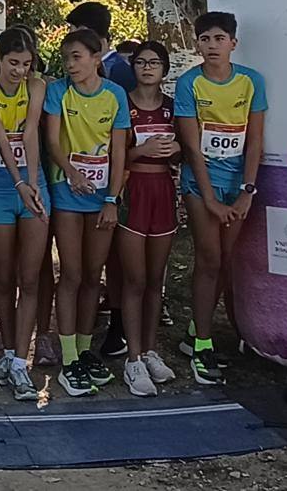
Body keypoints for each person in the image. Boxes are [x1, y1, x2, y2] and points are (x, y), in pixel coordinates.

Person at [175, 12, 266, 387]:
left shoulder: (251, 81)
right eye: (205, 39)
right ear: (197, 44)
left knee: (226, 261)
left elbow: (255, 139)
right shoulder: (189, 83)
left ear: (233, 43)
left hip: (237, 183)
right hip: (201, 183)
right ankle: (203, 345)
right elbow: (192, 148)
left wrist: (247, 190)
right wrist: (210, 198)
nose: (212, 46)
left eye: (219, 38)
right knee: (209, 258)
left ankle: (197, 329)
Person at [44, 29, 130, 398]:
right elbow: (51, 140)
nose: (70, 64)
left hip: (101, 199)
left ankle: (82, 350)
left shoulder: (115, 95)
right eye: (66, 58)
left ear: (97, 56)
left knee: (93, 276)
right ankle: (67, 358)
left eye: (77, 56)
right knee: (72, 273)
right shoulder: (58, 92)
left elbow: (120, 151)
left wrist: (113, 198)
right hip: (66, 193)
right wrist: (72, 171)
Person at [0, 26, 49, 402]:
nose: (20, 70)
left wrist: (33, 182)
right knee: (3, 279)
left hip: (31, 188)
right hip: (1, 188)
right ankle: (6, 352)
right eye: (13, 63)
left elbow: (31, 131)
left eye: (26, 63)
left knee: (31, 278)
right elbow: (2, 137)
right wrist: (19, 182)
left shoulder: (37, 86)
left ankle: (22, 361)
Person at [117, 41, 180, 397]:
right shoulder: (122, 104)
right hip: (133, 191)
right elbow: (114, 154)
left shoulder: (173, 108)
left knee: (156, 279)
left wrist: (178, 150)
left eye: (154, 62)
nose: (147, 68)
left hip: (163, 193)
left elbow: (189, 146)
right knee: (135, 279)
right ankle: (133, 357)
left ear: (165, 68)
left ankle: (151, 349)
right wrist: (139, 151)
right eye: (140, 62)